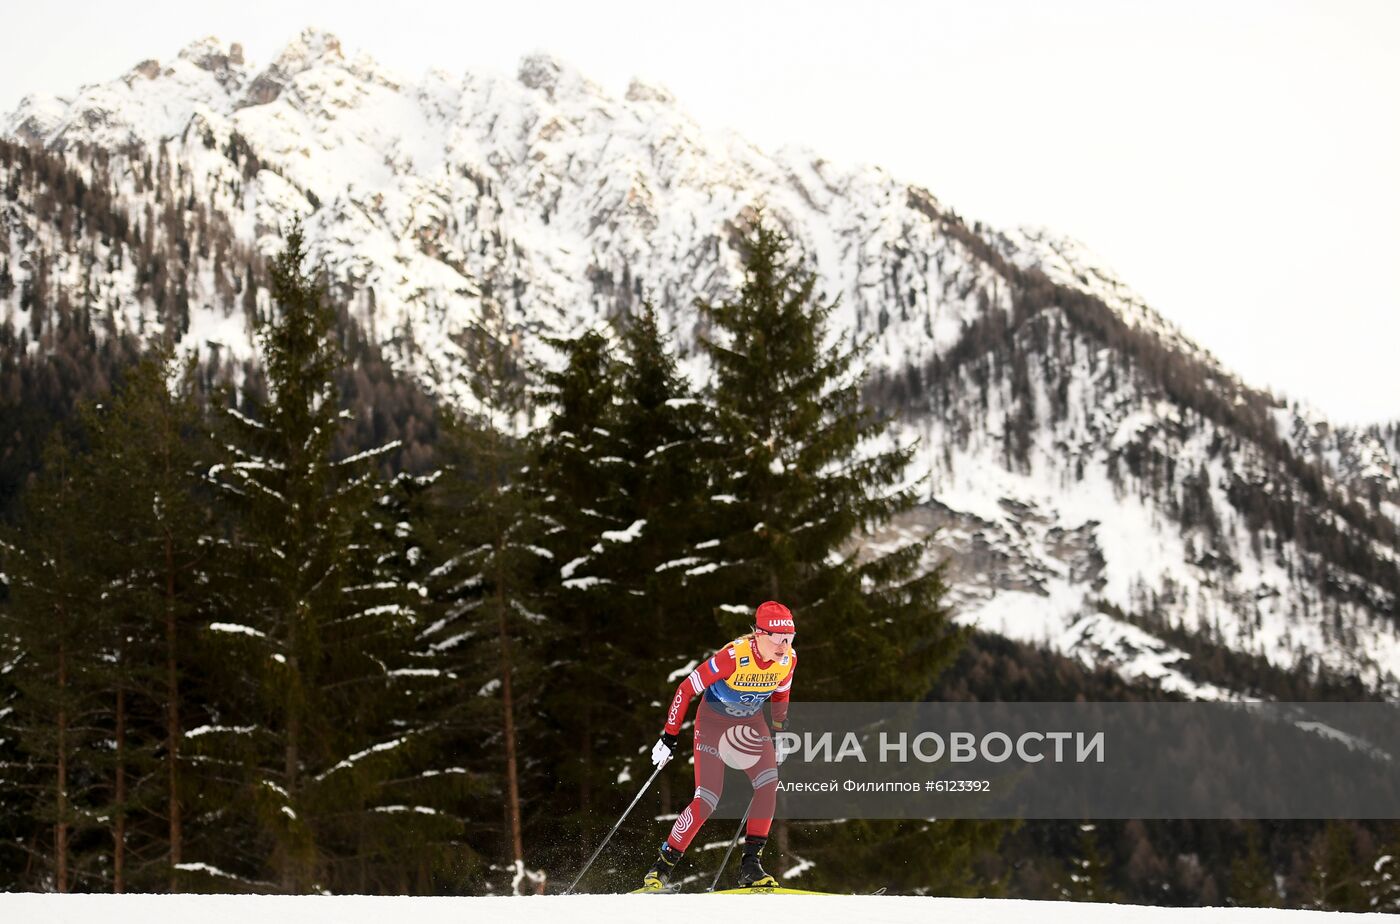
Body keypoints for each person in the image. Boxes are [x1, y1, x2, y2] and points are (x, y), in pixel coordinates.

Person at [641, 600, 797, 892]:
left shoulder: (787, 661)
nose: (783, 647)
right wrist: (669, 736)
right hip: (713, 725)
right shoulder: (733, 657)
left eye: (789, 639)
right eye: (778, 639)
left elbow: (780, 696)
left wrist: (779, 731)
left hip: (750, 726)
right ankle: (661, 868)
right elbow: (686, 688)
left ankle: (751, 866)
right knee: (708, 799)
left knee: (768, 784)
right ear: (760, 635)